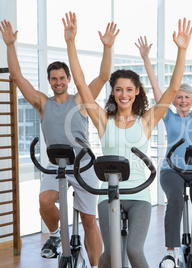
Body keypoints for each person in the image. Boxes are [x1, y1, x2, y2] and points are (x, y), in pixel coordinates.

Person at [64, 11, 192, 267]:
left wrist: (181, 50)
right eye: (119, 89)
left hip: (139, 194)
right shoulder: (103, 120)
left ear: (136, 93)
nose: (124, 94)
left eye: (129, 89)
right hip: (108, 195)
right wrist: (71, 43)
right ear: (113, 92)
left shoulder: (146, 121)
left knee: (134, 250)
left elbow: (172, 87)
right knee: (110, 255)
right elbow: (79, 82)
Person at [0, 16, 119, 266]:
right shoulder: (43, 104)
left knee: (89, 220)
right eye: (53, 79)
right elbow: (17, 77)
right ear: (49, 81)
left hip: (84, 165)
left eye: (62, 78)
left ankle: (95, 264)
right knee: (44, 201)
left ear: (67, 78)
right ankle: (55, 236)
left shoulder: (80, 101)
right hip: (55, 165)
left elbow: (103, 75)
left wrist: (107, 47)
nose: (58, 82)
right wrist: (10, 46)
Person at [135, 31, 192, 268]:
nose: (183, 100)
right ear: (173, 101)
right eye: (179, 97)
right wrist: (145, 59)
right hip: (171, 170)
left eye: (187, 97)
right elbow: (155, 86)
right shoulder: (168, 117)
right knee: (175, 201)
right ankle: (171, 252)